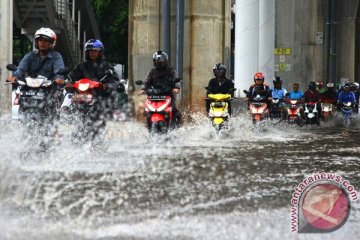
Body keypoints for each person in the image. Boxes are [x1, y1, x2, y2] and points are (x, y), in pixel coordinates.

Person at [67, 39, 124, 140]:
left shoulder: (107, 66)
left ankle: (98, 138)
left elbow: (115, 82)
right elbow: (72, 77)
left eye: (94, 51)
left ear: (100, 52)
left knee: (100, 116)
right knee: (72, 106)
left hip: (100, 97)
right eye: (89, 51)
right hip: (83, 97)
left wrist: (106, 86)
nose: (92, 53)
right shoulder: (81, 66)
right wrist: (69, 84)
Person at [7, 27, 65, 121]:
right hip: (30, 90)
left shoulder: (56, 56)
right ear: (36, 42)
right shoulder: (30, 56)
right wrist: (14, 76)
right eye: (40, 40)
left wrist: (58, 78)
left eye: (46, 40)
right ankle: (22, 122)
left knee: (55, 99)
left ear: (51, 43)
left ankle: (54, 128)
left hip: (48, 90)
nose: (42, 42)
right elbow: (21, 69)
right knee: (20, 97)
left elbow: (59, 71)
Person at [139, 50, 182, 125]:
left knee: (177, 114)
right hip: (153, 96)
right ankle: (147, 127)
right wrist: (143, 89)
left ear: (165, 61)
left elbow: (176, 80)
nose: (158, 62)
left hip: (167, 95)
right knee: (145, 112)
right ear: (154, 61)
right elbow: (146, 81)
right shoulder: (152, 72)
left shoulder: (171, 71)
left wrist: (176, 88)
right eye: (156, 60)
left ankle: (177, 130)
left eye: (161, 60)